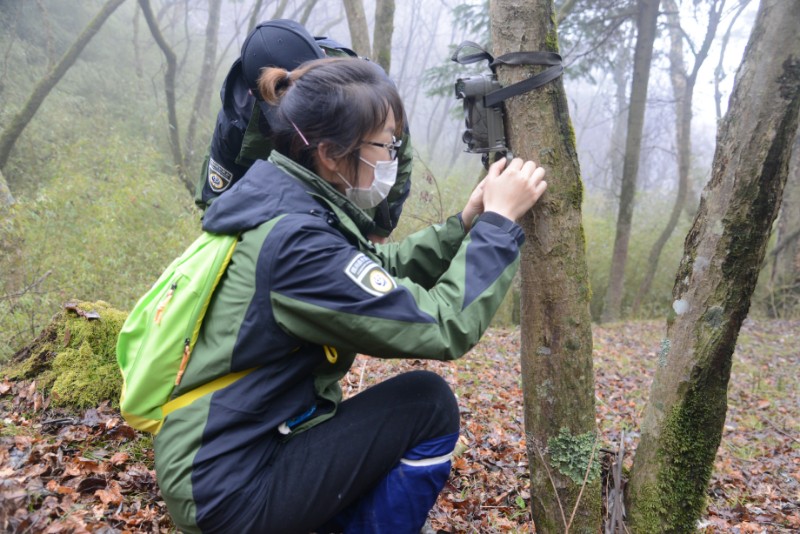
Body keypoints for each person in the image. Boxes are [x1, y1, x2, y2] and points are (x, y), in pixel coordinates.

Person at [154, 57, 547, 534]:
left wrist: (463, 224)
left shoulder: (291, 203)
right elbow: (443, 328)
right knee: (427, 405)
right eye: (385, 144)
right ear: (331, 153)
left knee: (413, 407)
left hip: (231, 457)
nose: (393, 158)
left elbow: (376, 270)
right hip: (229, 492)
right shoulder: (297, 246)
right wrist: (498, 228)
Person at [195, 19, 412, 242]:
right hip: (276, 212)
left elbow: (398, 156)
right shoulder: (238, 119)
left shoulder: (365, 89)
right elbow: (216, 201)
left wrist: (380, 231)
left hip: (350, 191)